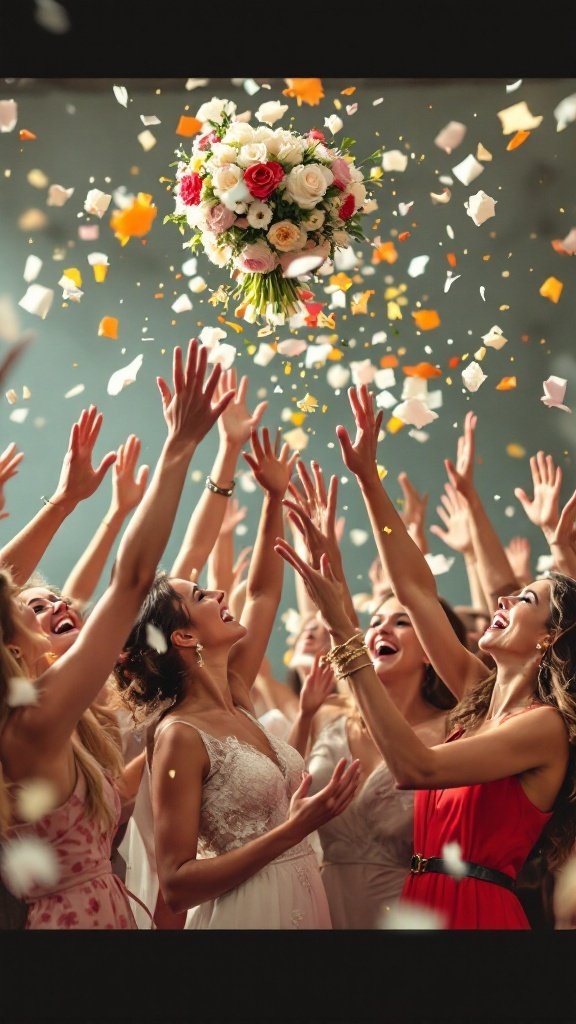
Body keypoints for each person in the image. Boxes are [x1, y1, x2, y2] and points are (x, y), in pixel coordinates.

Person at [273, 383, 576, 930]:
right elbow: (414, 588)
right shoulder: (479, 695)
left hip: (477, 912)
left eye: (526, 598)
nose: (504, 599)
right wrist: (370, 479)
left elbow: (418, 767)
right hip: (416, 904)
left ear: (551, 638)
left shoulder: (544, 727)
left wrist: (345, 630)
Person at [0, 338, 235, 928]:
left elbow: (113, 796)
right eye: (29, 608)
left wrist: (63, 501)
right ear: (11, 644)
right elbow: (131, 582)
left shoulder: (50, 719)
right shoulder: (32, 721)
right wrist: (180, 448)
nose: (54, 606)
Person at [113, 427, 361, 930]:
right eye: (203, 596)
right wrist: (294, 831)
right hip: (247, 912)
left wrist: (275, 498)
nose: (222, 594)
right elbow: (177, 883)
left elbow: (264, 592)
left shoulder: (238, 695)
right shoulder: (180, 735)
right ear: (183, 637)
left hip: (303, 895)